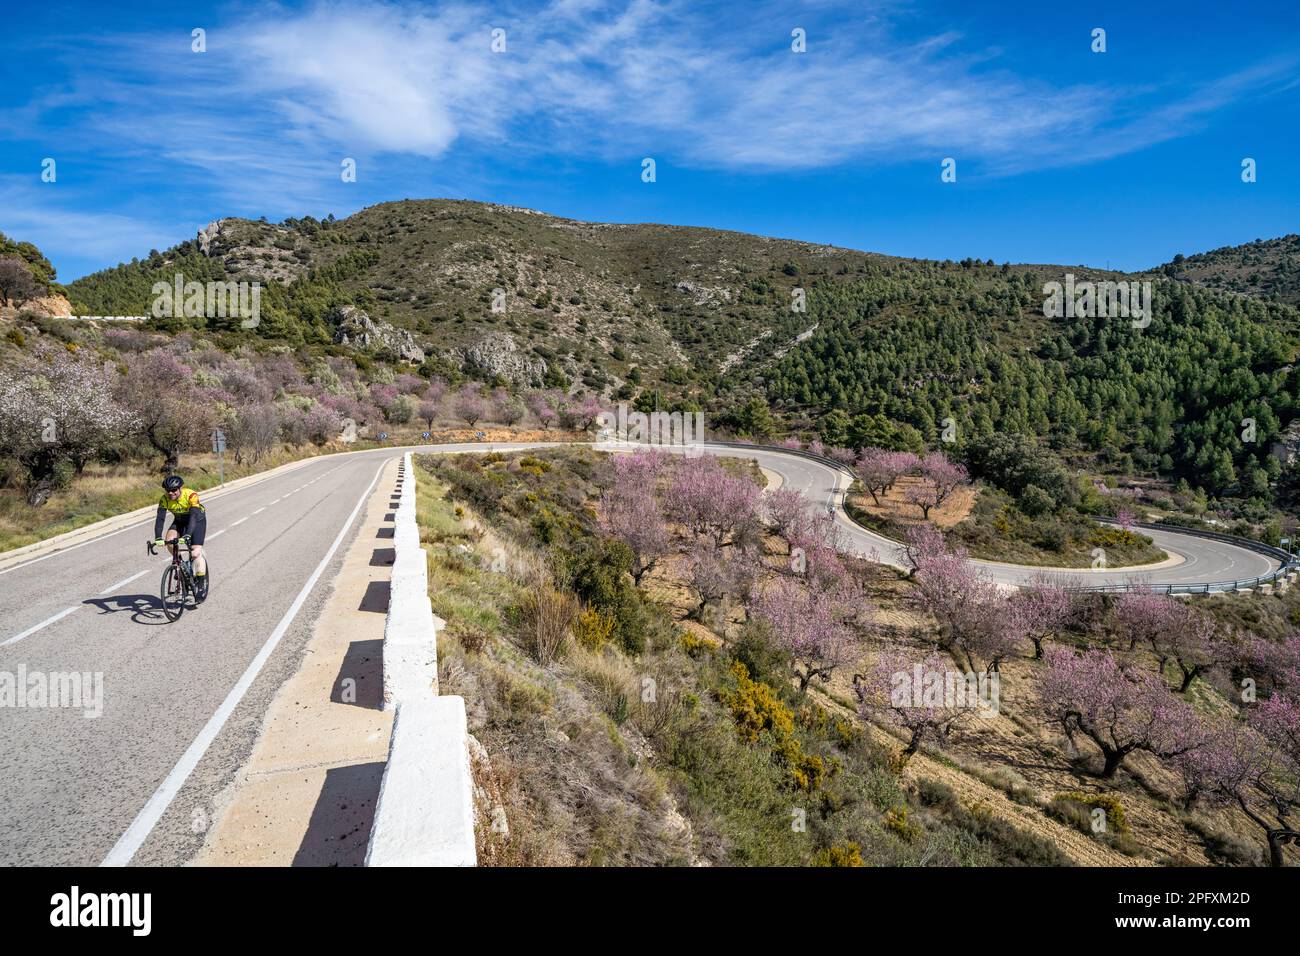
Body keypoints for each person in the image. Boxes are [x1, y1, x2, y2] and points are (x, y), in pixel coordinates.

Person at [153, 475, 207, 593]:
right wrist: (158, 537)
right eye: (168, 491)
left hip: (197, 521)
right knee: (170, 542)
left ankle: (202, 584)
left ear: (180, 488)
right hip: (179, 521)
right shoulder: (164, 499)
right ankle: (181, 564)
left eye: (174, 490)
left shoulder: (191, 495)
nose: (171, 493)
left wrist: (188, 535)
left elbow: (193, 516)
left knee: (195, 553)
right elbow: (160, 519)